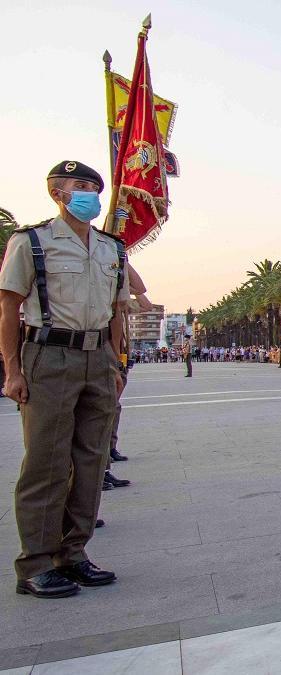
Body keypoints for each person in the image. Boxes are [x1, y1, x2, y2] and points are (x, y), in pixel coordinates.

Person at [0, 161, 128, 598]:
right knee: (47, 463)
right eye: (79, 185)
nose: (89, 191)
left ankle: (74, 554)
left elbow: (117, 312)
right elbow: (8, 308)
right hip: (48, 355)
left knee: (91, 461)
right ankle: (35, 563)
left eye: (94, 185)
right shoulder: (31, 241)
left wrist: (116, 364)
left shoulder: (112, 248)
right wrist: (12, 370)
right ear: (57, 193)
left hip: (97, 358)